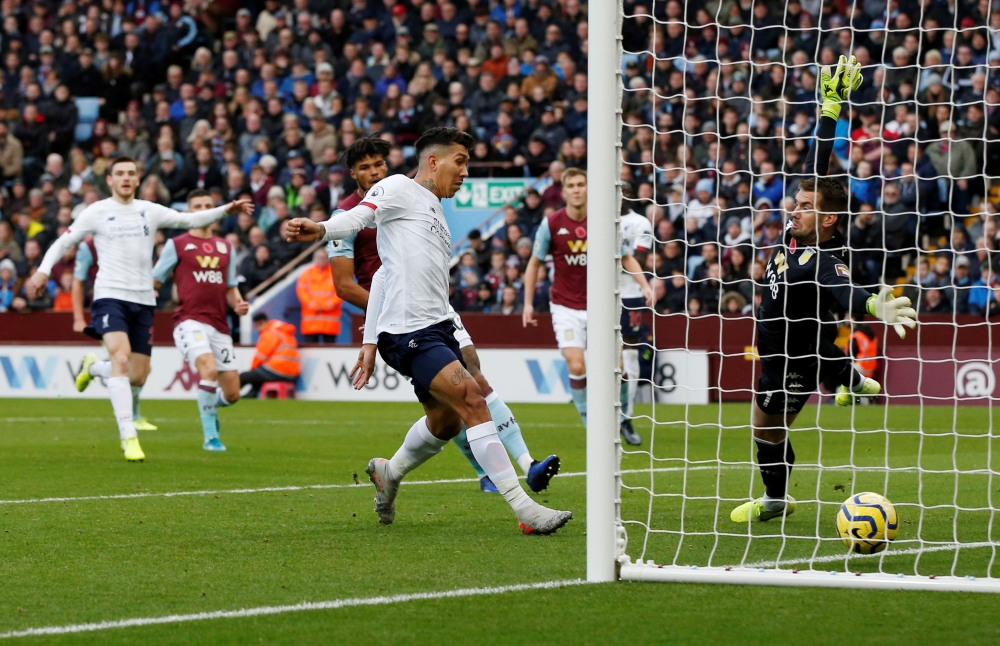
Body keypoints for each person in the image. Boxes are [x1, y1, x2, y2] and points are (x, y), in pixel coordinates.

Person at [286, 127, 571, 535]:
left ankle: (390, 471)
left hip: (436, 325)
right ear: (434, 162)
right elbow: (356, 218)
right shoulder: (398, 186)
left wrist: (368, 342)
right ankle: (526, 509)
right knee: (474, 398)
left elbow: (384, 272)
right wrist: (320, 229)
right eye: (461, 161)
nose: (465, 172)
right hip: (408, 331)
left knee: (447, 424)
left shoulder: (434, 210)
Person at [730, 57, 916, 524]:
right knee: (768, 427)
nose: (794, 210)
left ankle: (775, 499)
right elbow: (818, 166)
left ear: (829, 219)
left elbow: (849, 291)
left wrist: (876, 303)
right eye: (796, 203)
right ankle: (850, 379)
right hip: (788, 343)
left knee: (766, 429)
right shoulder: (798, 236)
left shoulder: (824, 259)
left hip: (791, 360)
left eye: (806, 207)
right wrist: (830, 107)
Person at [28, 157, 254, 462]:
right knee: (120, 359)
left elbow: (189, 220)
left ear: (137, 179)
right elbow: (63, 241)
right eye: (119, 173)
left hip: (144, 300)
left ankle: (94, 368)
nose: (125, 178)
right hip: (110, 296)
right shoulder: (96, 211)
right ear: (109, 180)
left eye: (130, 173)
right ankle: (129, 437)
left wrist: (227, 209)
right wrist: (43, 270)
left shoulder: (150, 210)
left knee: (136, 375)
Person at [521, 168, 653, 445]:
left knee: (619, 367)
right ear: (565, 191)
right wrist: (528, 303)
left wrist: (645, 285)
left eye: (582, 184)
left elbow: (627, 258)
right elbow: (534, 263)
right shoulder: (552, 224)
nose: (577, 189)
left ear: (588, 188)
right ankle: (590, 423)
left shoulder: (604, 221)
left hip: (601, 306)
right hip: (565, 307)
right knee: (577, 364)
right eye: (572, 185)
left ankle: (624, 420)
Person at [152, 190, 250, 451]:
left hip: (219, 325)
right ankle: (210, 437)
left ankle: (209, 403)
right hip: (189, 320)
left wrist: (238, 303)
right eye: (198, 206)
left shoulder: (225, 247)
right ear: (189, 212)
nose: (204, 210)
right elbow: (155, 279)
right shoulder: (178, 244)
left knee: (232, 394)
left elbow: (230, 287)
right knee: (208, 369)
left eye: (208, 205)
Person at [71, 235, 158, 432]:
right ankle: (132, 419)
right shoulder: (89, 247)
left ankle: (94, 367)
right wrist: (78, 317)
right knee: (121, 361)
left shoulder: (133, 239)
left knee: (140, 373)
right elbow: (78, 281)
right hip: (110, 308)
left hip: (137, 306)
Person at [619, 187, 654, 445]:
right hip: (598, 293)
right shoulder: (593, 218)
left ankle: (626, 416)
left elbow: (638, 258)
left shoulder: (639, 223)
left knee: (629, 351)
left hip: (629, 292)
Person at [240, 312, 301, 397]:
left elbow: (260, 356)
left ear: (260, 323)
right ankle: (251, 395)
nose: (258, 329)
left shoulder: (270, 333)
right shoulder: (284, 331)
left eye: (257, 326)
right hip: (292, 374)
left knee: (244, 377)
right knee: (259, 377)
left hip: (277, 369)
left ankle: (229, 396)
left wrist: (252, 370)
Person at [296, 249, 342, 344]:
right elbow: (301, 291)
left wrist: (328, 305)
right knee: (311, 349)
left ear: (328, 259)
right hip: (311, 321)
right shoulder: (307, 274)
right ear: (315, 259)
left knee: (330, 350)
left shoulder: (335, 273)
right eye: (319, 257)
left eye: (324, 257)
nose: (322, 259)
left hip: (330, 321)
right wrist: (313, 305)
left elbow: (341, 291)